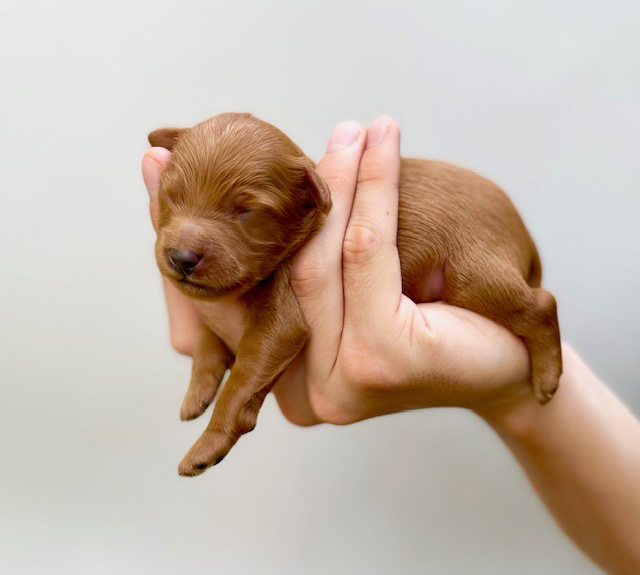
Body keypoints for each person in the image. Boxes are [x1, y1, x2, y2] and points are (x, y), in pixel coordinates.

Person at [142, 117, 640, 574]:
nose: (184, 241)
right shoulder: (251, 244)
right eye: (175, 196)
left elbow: (281, 328)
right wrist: (208, 362)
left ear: (309, 198)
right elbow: (230, 316)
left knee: (477, 285)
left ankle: (536, 320)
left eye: (245, 211)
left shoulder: (298, 240)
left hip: (464, 230)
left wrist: (223, 423)